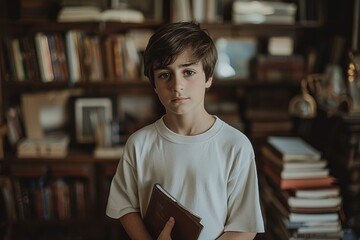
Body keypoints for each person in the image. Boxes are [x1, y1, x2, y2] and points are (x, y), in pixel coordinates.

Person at [106, 21, 265, 240]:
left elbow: (245, 225)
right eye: (164, 75)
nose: (177, 85)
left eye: (188, 72)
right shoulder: (139, 144)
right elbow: (124, 206)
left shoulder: (235, 145)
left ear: (208, 77)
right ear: (153, 84)